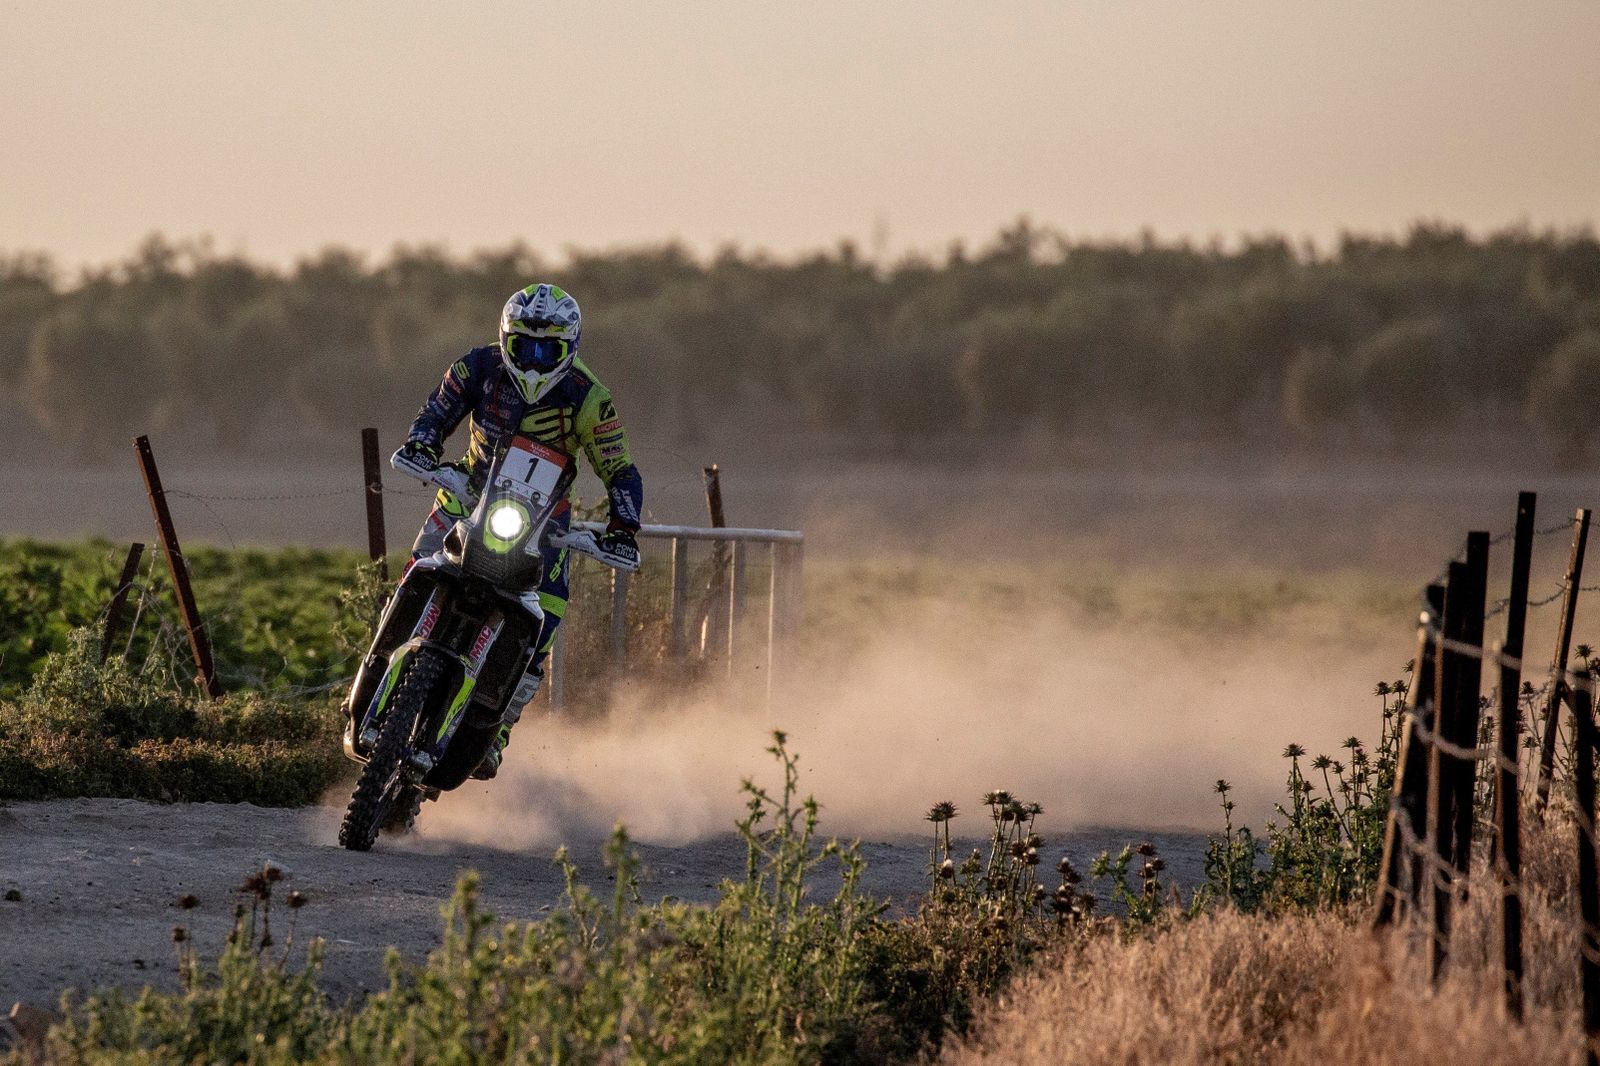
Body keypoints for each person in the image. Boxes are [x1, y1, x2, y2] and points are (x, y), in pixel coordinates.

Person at [390, 283, 643, 778]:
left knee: (544, 620)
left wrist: (623, 526)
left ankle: (498, 728)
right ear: (505, 338)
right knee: (413, 574)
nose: (533, 360)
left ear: (570, 348)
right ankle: (380, 664)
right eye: (523, 346)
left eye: (547, 351)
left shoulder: (591, 398)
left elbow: (620, 469)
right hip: (466, 492)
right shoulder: (477, 366)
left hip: (545, 520)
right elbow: (437, 410)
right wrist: (421, 443)